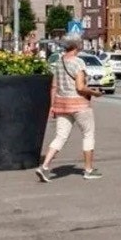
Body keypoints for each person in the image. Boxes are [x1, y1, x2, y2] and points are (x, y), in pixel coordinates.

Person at [36, 33, 104, 182]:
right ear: (77, 45)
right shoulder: (78, 62)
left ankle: (44, 166)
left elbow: (54, 86)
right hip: (79, 104)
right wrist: (95, 93)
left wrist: (52, 106)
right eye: (80, 43)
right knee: (88, 134)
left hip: (62, 105)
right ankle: (88, 170)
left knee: (60, 136)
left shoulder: (59, 62)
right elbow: (80, 87)